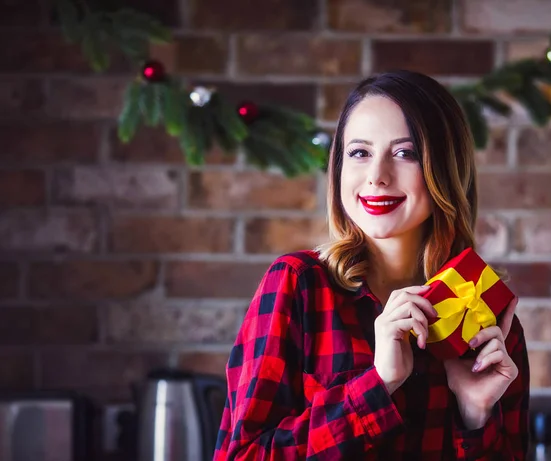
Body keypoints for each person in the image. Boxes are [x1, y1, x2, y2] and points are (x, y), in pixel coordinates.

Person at [213, 70, 529, 460]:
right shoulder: (298, 284)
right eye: (360, 152)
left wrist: (475, 415)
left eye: (405, 153)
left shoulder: (485, 318)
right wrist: (378, 385)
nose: (377, 177)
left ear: (445, 169)